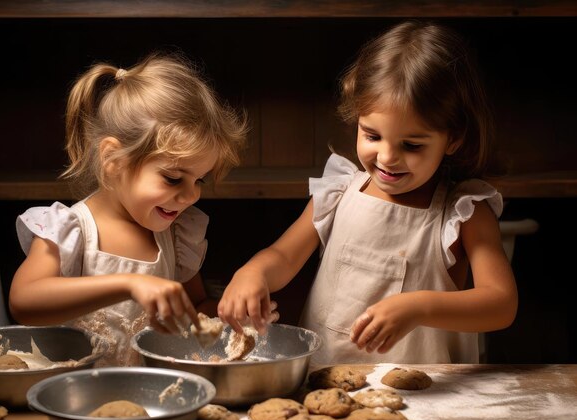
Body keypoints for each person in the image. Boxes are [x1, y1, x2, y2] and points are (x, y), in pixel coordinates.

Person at [217, 20, 518, 365]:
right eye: (372, 136)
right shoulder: (339, 192)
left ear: (453, 139)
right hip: (324, 378)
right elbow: (284, 258)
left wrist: (420, 307)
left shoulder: (463, 213)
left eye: (412, 144)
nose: (388, 157)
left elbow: (500, 304)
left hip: (428, 394)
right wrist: (252, 273)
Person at [9, 53, 248, 366]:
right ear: (114, 159)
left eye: (199, 179)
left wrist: (231, 312)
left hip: (157, 401)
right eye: (173, 178)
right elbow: (24, 302)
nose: (190, 195)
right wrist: (129, 284)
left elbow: (194, 309)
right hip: (77, 402)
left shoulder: (177, 236)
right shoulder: (70, 230)